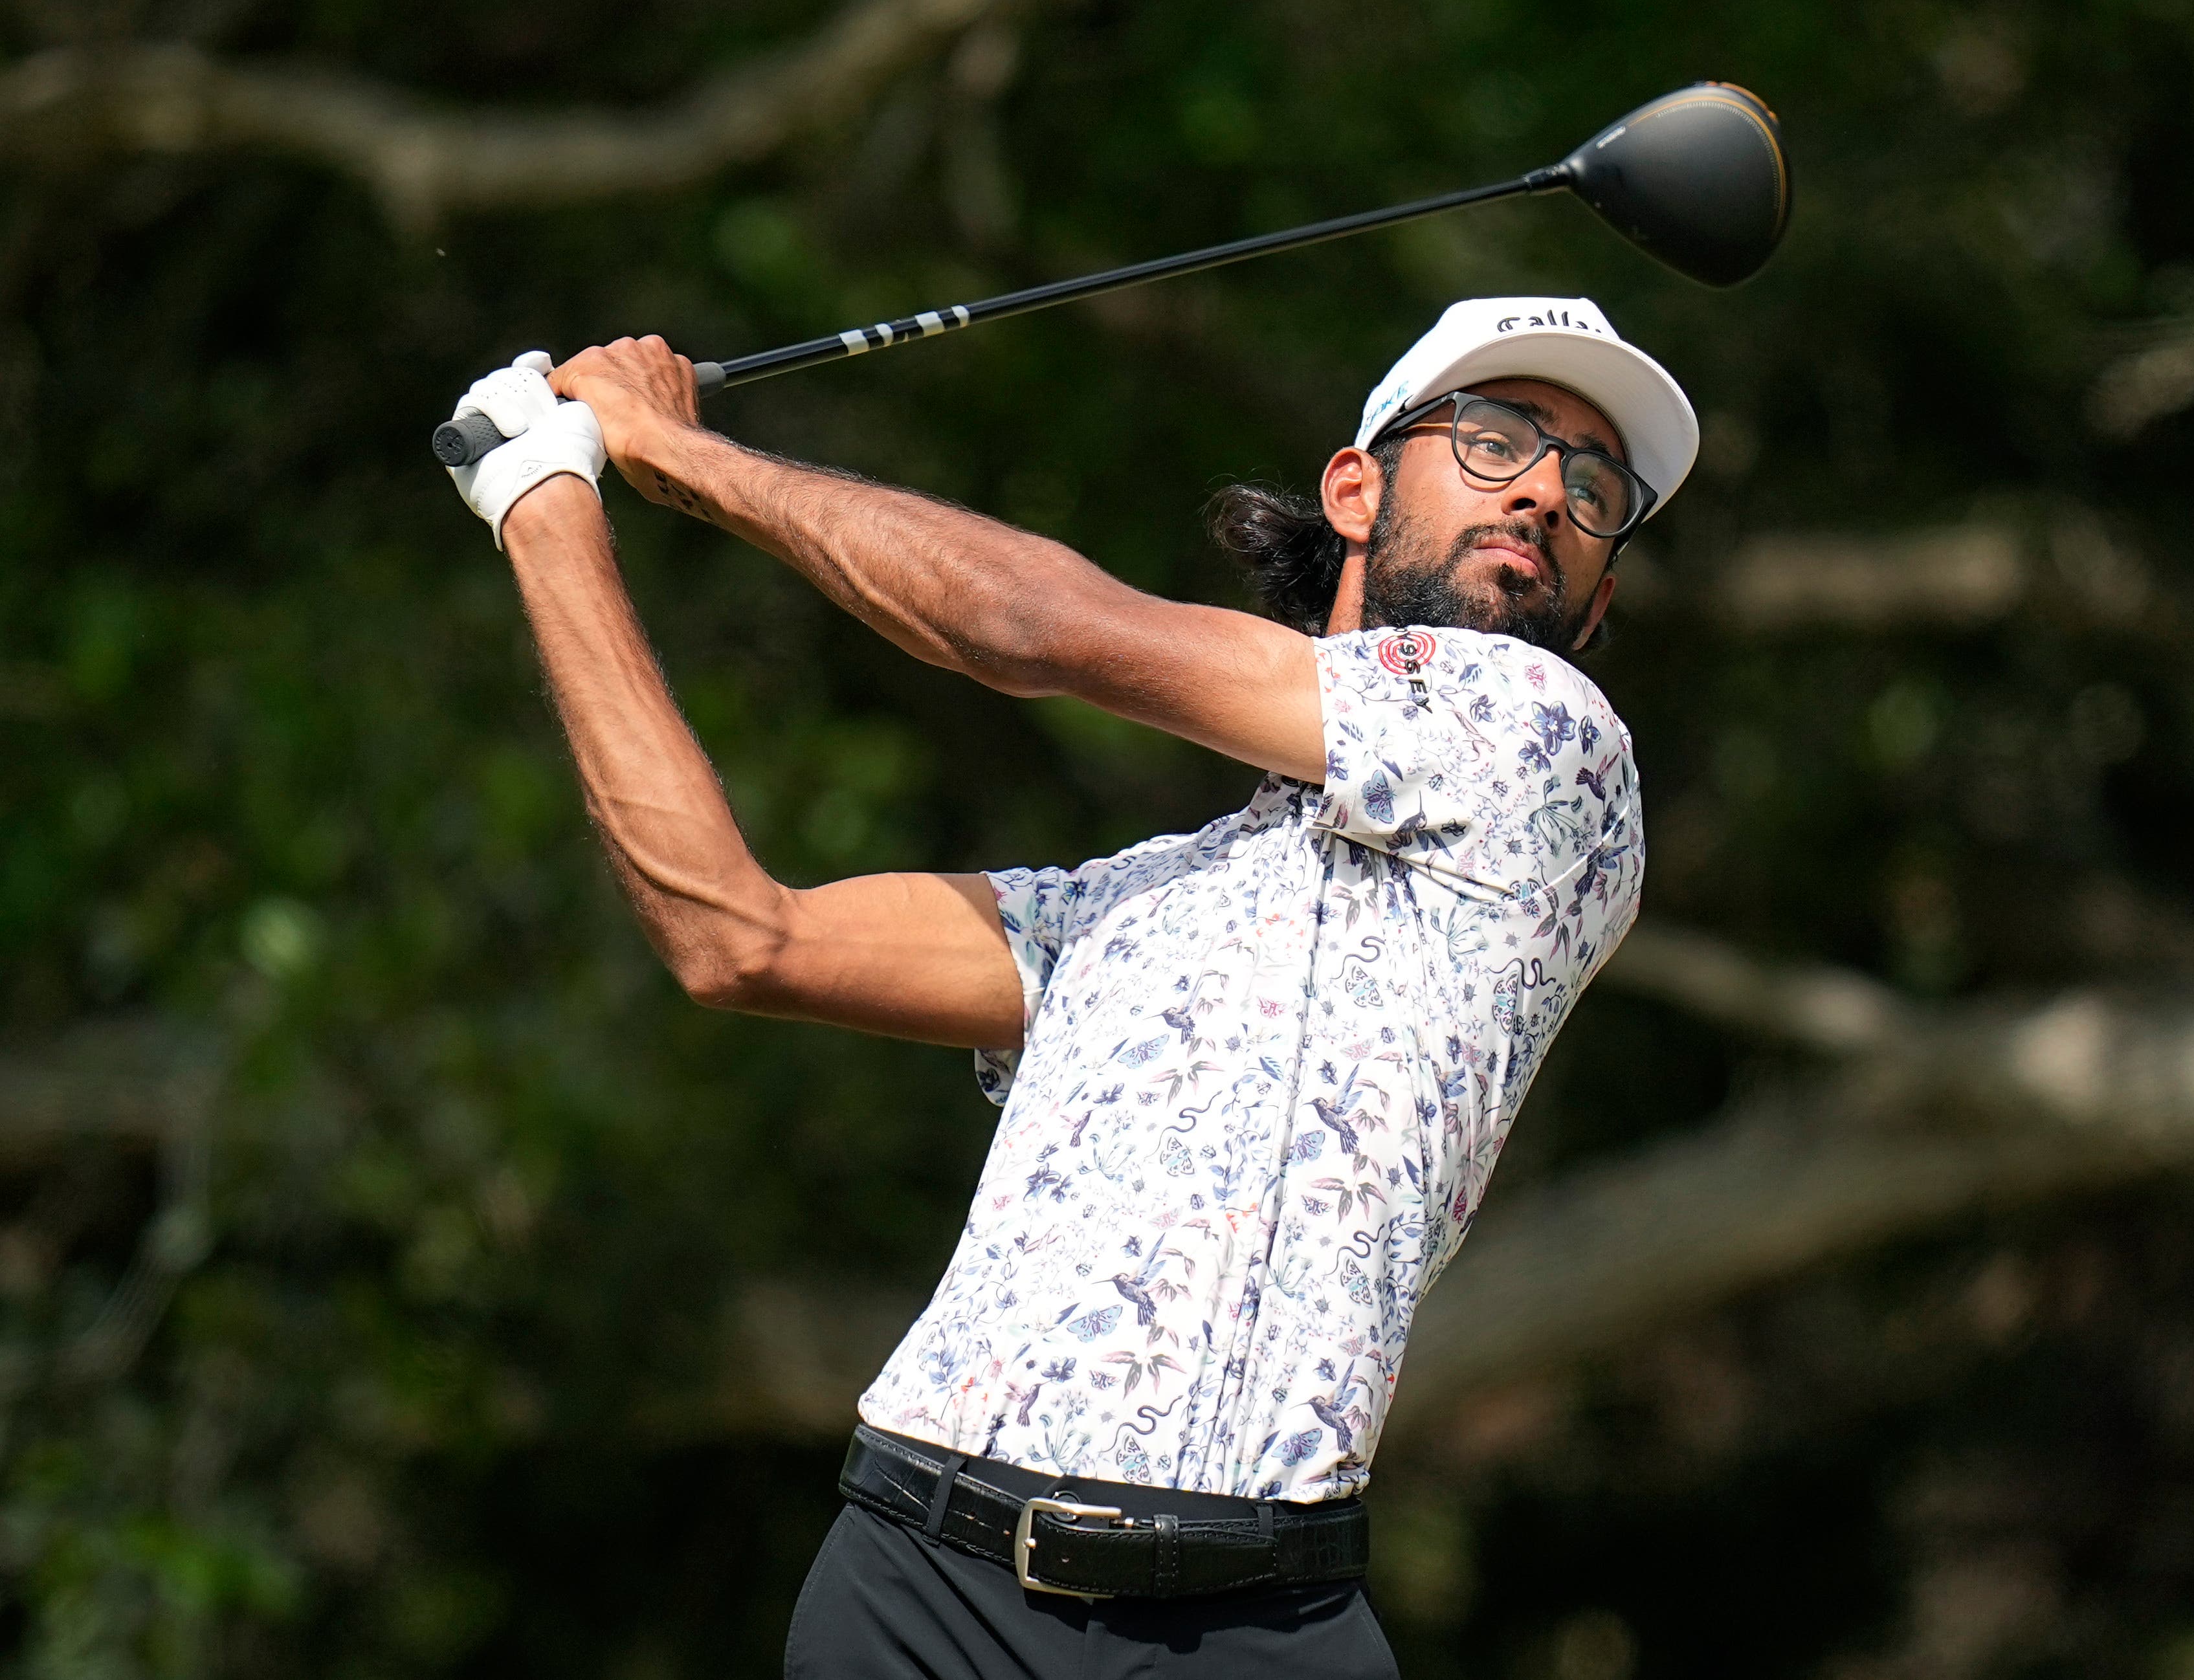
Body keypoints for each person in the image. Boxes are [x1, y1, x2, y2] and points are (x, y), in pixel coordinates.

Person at [440, 295, 1696, 1678]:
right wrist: (546, 506)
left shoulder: (1547, 747)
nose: (1543, 493)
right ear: (1355, 486)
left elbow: (1033, 626)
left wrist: (680, 454)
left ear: (1603, 593)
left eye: (1594, 488)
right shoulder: (1133, 905)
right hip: (915, 1585)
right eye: (1494, 437)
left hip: (1243, 1623)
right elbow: (741, 937)